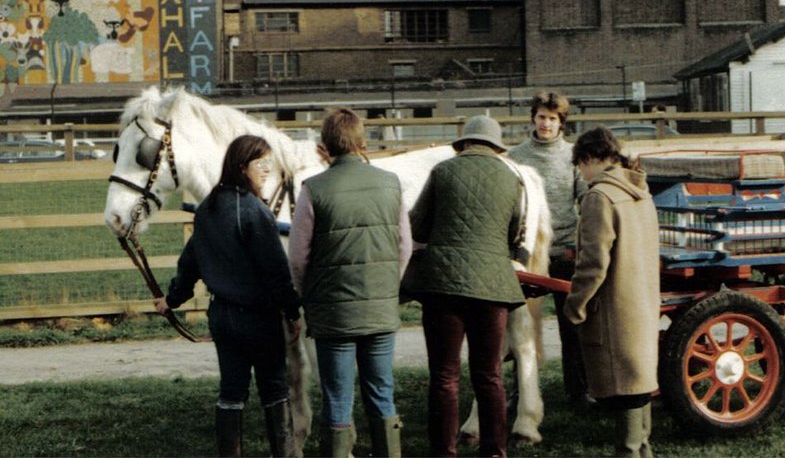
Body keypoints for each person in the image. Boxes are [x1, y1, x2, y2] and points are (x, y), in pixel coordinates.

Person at [154, 134, 302, 458]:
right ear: (241, 166)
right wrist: (292, 312)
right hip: (259, 318)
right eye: (260, 163)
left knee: (231, 393)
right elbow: (276, 271)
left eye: (269, 163)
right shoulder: (255, 211)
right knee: (275, 392)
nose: (266, 170)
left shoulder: (206, 209)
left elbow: (190, 261)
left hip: (222, 317)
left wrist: (172, 299)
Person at [288, 107, 409, 458]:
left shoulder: (313, 189)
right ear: (362, 140)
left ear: (325, 145)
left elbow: (298, 258)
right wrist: (388, 287)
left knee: (337, 397)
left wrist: (305, 296)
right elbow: (404, 247)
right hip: (380, 306)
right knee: (381, 392)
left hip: (333, 315)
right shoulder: (391, 183)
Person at [402, 115, 525, 458]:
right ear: (495, 147)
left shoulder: (443, 171)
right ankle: (495, 451)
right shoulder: (510, 177)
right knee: (489, 375)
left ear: (464, 143)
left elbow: (417, 226)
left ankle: (444, 452)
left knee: (445, 376)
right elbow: (514, 233)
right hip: (492, 288)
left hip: (443, 285)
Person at [564, 126, 660, 457]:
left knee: (625, 390)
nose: (581, 174)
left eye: (580, 166)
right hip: (642, 304)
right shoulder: (640, 191)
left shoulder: (599, 197)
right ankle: (641, 449)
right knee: (639, 383)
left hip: (613, 309)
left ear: (589, 159)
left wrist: (575, 305)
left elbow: (592, 263)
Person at [506, 91, 589, 403]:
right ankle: (519, 392)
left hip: (565, 250)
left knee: (573, 325)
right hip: (526, 255)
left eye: (552, 118)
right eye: (541, 116)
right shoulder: (516, 155)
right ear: (533, 118)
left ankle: (578, 391)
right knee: (520, 323)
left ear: (561, 123)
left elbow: (585, 197)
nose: (546, 123)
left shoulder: (573, 156)